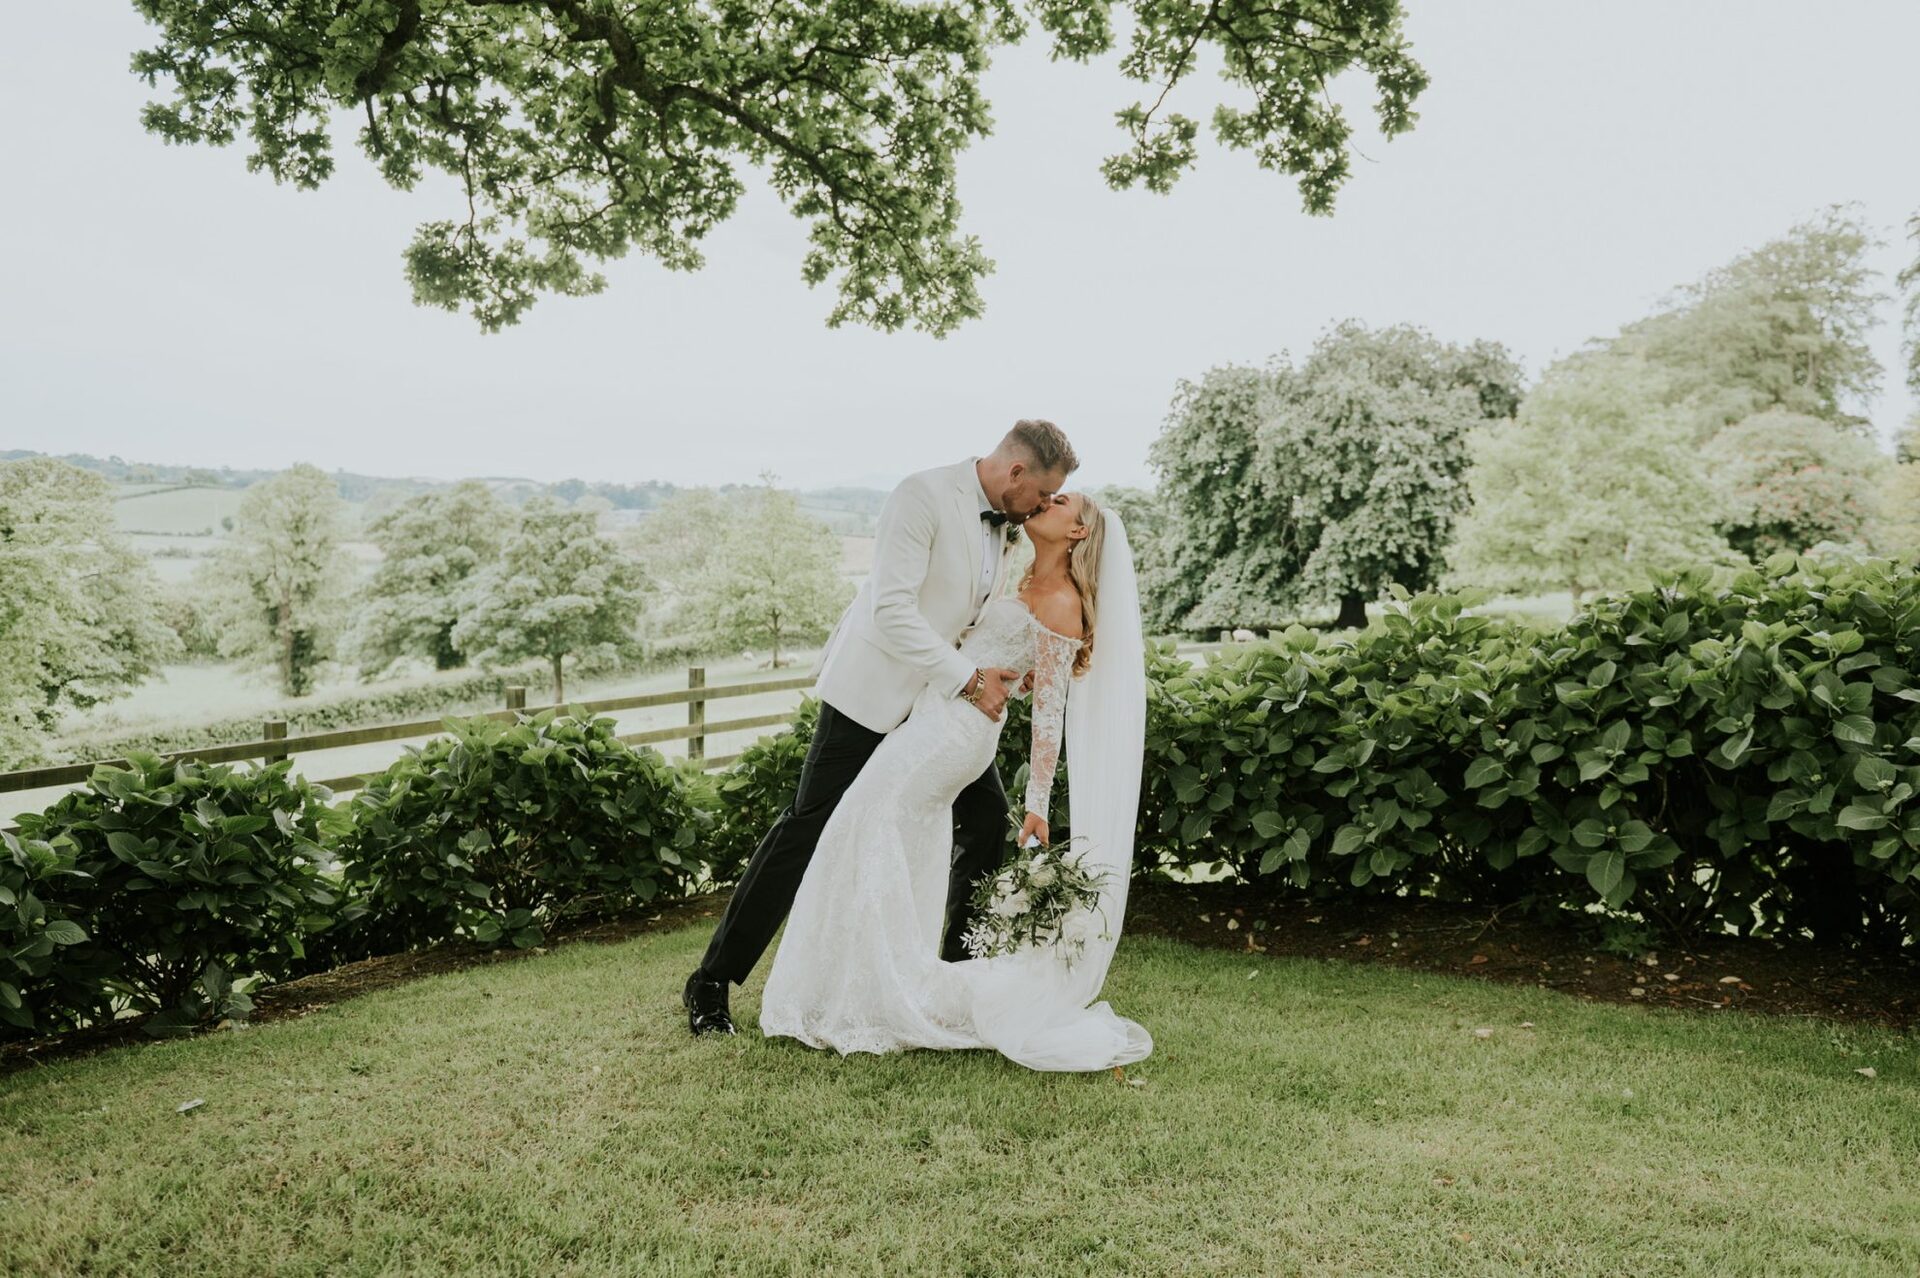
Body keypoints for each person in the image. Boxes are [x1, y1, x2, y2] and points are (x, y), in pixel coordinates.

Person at [681, 421, 1075, 1035]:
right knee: (806, 828)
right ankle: (710, 982)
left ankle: (952, 974)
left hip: (940, 715)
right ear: (1016, 472)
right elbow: (891, 608)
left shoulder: (1006, 525)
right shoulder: (921, 496)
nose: (1043, 507)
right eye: (1042, 495)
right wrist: (968, 680)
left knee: (984, 825)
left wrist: (995, 671)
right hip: (874, 693)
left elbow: (967, 619)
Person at [759, 490, 1152, 1071]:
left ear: (1077, 534)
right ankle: (873, 983)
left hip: (955, 737)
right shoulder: (1020, 581)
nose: (1050, 501)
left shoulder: (1064, 601)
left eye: (1065, 502)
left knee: (864, 821)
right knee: (887, 836)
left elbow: (1049, 719)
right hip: (935, 718)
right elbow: (1000, 659)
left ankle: (878, 990)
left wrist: (1037, 803)